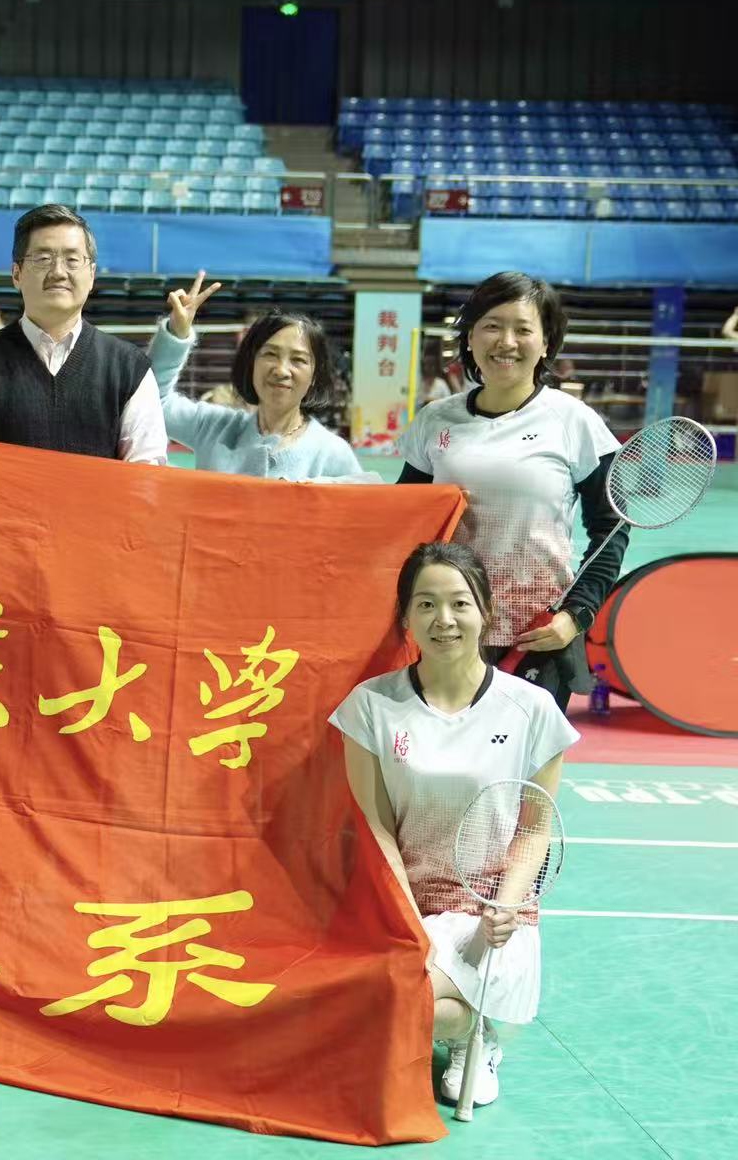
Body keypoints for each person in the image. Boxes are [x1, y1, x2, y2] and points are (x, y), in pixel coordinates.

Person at [331, 542, 575, 1109]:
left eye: (460, 603)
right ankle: (470, 1028)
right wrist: (407, 921)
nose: (444, 619)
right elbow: (376, 824)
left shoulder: (533, 709)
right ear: (406, 617)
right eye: (426, 604)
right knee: (375, 1000)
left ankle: (469, 1029)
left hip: (490, 911)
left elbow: (533, 829)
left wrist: (506, 906)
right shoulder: (370, 705)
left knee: (400, 1003)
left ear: (485, 610)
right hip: (402, 902)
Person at [398, 272, 624, 710]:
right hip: (445, 628)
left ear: (546, 343)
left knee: (523, 754)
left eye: (523, 329)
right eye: (492, 326)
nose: (506, 341)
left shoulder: (574, 421)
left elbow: (611, 529)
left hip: (537, 634)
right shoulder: (435, 420)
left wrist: (575, 616)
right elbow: (403, 522)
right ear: (469, 338)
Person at [0, 204, 167, 462]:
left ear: (92, 275)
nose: (58, 272)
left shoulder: (129, 368)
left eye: (72, 260)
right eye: (43, 259)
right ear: (16, 274)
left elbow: (145, 473)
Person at [149, 271, 364, 481]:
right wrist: (176, 333)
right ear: (251, 363)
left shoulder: (333, 454)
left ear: (315, 375)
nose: (281, 370)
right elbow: (154, 403)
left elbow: (363, 502)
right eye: (270, 354)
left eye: (298, 360)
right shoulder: (213, 427)